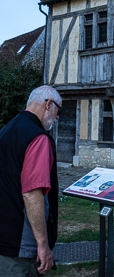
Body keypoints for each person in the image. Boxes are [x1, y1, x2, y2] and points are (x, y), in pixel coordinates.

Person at [0, 85, 62, 276]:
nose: (57, 118)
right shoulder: (37, 137)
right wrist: (43, 245)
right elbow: (32, 193)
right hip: (21, 245)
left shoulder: (7, 130)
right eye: (57, 111)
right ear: (48, 104)